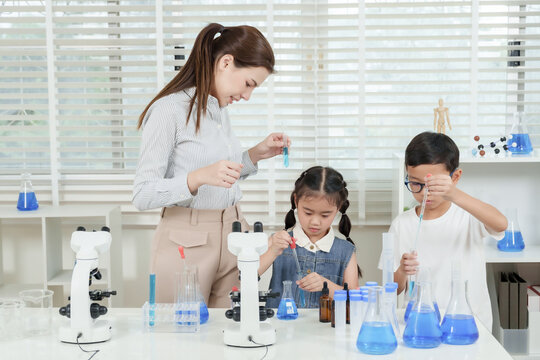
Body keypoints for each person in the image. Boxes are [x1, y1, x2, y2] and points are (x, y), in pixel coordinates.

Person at [133, 23, 289, 307]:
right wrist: (197, 178)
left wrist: (255, 154)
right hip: (186, 241)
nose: (247, 96)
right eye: (249, 84)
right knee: (180, 339)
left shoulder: (219, 110)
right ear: (226, 62)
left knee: (229, 334)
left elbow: (219, 176)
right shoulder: (169, 111)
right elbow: (143, 194)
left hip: (233, 235)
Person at [380, 131, 507, 330]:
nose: (423, 193)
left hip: (469, 323)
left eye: (433, 185)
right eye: (415, 183)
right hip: (419, 324)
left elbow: (501, 224)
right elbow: (392, 288)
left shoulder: (468, 216)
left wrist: (455, 195)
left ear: (454, 177)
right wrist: (403, 271)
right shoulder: (402, 224)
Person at [259, 166, 360, 308]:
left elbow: (355, 299)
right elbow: (246, 277)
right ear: (296, 201)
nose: (315, 222)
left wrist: (327, 286)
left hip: (326, 329)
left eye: (325, 215)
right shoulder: (278, 241)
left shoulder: (346, 251)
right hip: (280, 327)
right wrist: (273, 251)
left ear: (338, 208)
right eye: (308, 212)